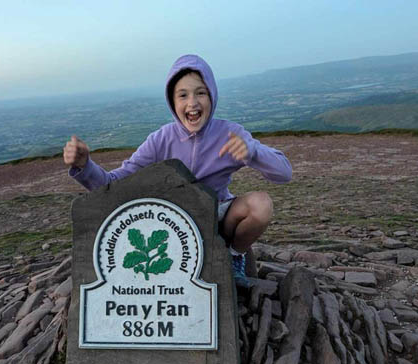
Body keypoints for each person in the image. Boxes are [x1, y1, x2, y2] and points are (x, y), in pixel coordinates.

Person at [64, 54, 292, 281]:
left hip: (219, 214)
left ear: (212, 96)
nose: (192, 102)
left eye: (201, 93)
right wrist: (85, 166)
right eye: (182, 95)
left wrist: (251, 153)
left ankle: (233, 257)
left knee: (261, 205)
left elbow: (284, 172)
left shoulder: (230, 134)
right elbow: (114, 184)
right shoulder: (160, 140)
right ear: (172, 102)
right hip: (174, 222)